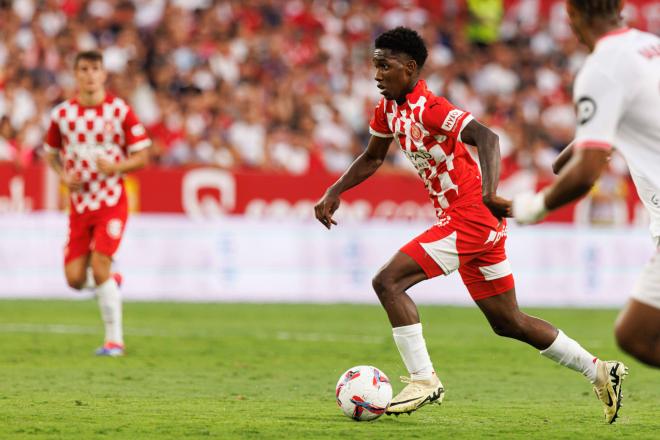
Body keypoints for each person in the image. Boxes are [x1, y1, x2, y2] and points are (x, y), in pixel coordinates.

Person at [314, 27, 626, 423]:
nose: (377, 74)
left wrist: (491, 194)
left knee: (387, 282)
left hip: (470, 217)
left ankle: (424, 379)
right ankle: (599, 370)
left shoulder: (430, 107)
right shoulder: (388, 110)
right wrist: (336, 189)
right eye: (375, 65)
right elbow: (374, 157)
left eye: (385, 66)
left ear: (409, 68)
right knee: (508, 322)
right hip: (470, 222)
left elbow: (488, 137)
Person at [513, 0, 660, 369]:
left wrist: (532, 207)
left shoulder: (601, 68)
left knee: (636, 335)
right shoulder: (649, 45)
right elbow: (626, 119)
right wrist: (570, 156)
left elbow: (587, 173)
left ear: (573, 17)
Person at [44, 51, 151, 357]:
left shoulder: (119, 111)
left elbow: (143, 154)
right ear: (75, 75)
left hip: (110, 201)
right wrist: (63, 174)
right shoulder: (62, 115)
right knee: (75, 280)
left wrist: (117, 168)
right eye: (83, 69)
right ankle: (111, 282)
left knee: (100, 263)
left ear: (104, 74)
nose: (90, 75)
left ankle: (114, 341)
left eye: (95, 69)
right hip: (79, 206)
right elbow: (50, 152)